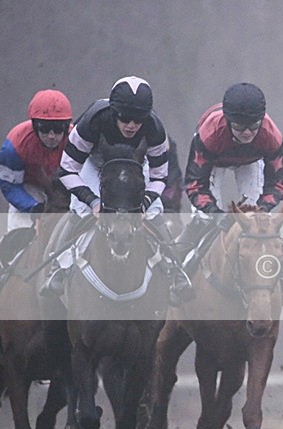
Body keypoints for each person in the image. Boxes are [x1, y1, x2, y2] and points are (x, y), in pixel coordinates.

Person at [40, 76, 192, 304]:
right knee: (79, 209)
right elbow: (67, 171)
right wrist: (92, 202)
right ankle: (58, 266)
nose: (131, 125)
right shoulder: (92, 121)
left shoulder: (155, 128)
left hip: (136, 165)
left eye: (138, 120)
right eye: (125, 118)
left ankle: (174, 268)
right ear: (113, 112)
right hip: (94, 163)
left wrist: (143, 205)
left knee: (154, 211)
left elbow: (160, 176)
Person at [174, 82, 283, 310]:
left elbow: (279, 181)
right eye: (241, 128)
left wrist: (261, 209)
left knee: (262, 226)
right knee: (203, 221)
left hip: (250, 162)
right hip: (213, 164)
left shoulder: (270, 134)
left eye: (253, 127)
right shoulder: (210, 133)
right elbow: (194, 184)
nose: (248, 133)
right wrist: (215, 214)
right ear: (229, 121)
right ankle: (176, 273)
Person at [0, 89, 72, 230]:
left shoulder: (75, 140)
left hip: (64, 191)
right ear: (34, 125)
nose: (51, 136)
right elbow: (10, 185)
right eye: (44, 128)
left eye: (58, 129)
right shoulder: (15, 145)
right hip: (29, 189)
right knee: (20, 233)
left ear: (66, 126)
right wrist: (32, 208)